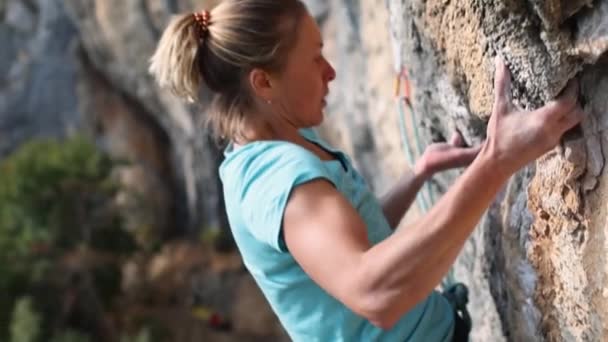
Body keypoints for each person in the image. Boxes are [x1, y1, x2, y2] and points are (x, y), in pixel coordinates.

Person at [148, 1, 584, 340]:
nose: (331, 72)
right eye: (315, 57)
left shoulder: (270, 143)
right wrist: (498, 161)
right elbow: (373, 292)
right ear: (263, 82)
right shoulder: (278, 181)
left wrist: (418, 173)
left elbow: (346, 239)